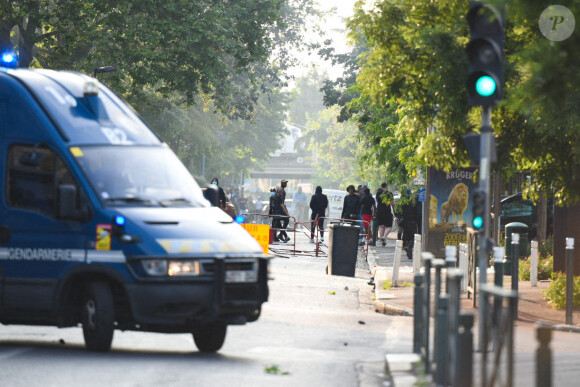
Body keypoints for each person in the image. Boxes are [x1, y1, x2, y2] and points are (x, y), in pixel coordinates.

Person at [395, 189, 418, 259]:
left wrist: (399, 218)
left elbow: (397, 211)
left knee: (407, 237)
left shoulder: (400, 202)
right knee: (413, 237)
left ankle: (409, 252)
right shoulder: (413, 202)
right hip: (412, 221)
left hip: (404, 222)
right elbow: (416, 212)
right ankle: (409, 247)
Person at [376, 182, 395, 246]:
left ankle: (382, 241)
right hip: (387, 210)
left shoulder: (378, 193)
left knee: (381, 226)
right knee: (389, 226)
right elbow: (392, 203)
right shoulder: (389, 193)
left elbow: (377, 201)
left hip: (379, 210)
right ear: (386, 186)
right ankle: (384, 236)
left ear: (381, 186)